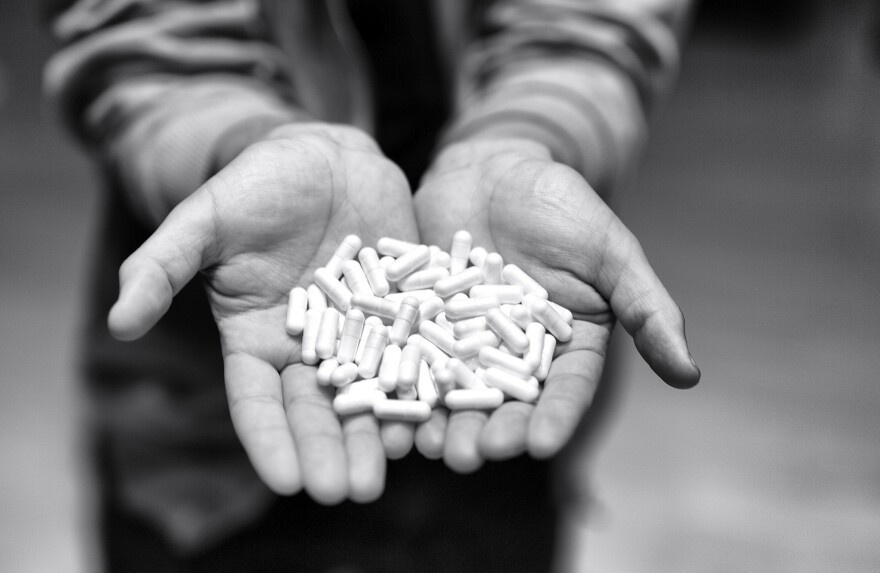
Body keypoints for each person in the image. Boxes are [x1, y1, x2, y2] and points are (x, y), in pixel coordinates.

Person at [44, 1, 701, 571]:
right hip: (202, 404)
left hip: (499, 431)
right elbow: (137, 25)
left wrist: (536, 128)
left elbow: (590, 21)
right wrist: (235, 142)